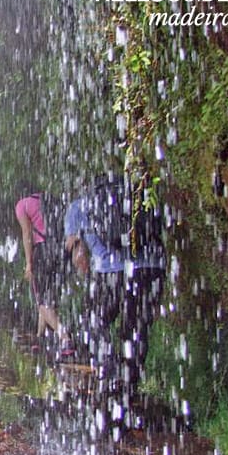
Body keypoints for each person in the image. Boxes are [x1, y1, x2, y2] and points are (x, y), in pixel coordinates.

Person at [64, 175, 165, 436]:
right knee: (137, 331)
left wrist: (84, 269)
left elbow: (77, 252)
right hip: (151, 269)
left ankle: (108, 370)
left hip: (112, 273)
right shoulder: (142, 194)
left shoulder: (79, 205)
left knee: (91, 320)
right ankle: (127, 392)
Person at [15, 188, 74, 358]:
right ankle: (39, 338)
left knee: (41, 301)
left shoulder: (22, 205)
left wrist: (28, 263)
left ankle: (65, 338)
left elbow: (27, 234)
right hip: (62, 251)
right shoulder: (49, 200)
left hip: (43, 252)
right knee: (49, 299)